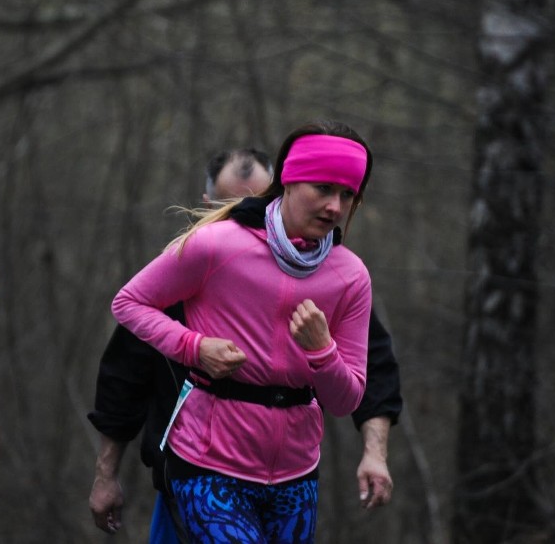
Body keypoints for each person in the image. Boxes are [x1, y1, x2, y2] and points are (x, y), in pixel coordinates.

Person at [89, 147, 402, 541]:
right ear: (207, 203)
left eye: (253, 197)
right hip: (192, 470)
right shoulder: (200, 256)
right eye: (229, 201)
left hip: (292, 471)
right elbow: (124, 375)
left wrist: (375, 451)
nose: (244, 209)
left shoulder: (342, 277)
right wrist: (105, 474)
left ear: (275, 190)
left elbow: (370, 370)